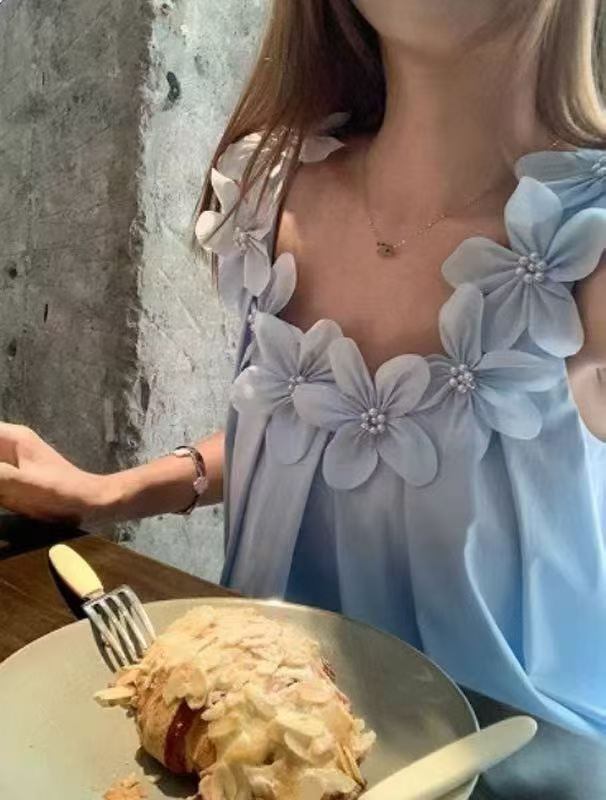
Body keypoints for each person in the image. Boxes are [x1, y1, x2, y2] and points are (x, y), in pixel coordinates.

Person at [1, 0, 606, 745]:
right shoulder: (270, 193)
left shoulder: (590, 242)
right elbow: (312, 432)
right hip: (261, 745)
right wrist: (117, 491)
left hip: (516, 767)